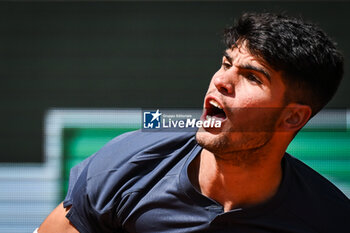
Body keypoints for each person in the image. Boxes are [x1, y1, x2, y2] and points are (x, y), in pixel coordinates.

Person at [37, 12, 349, 233]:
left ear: (292, 116)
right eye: (226, 63)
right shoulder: (126, 166)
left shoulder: (330, 220)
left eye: (252, 77)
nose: (222, 81)